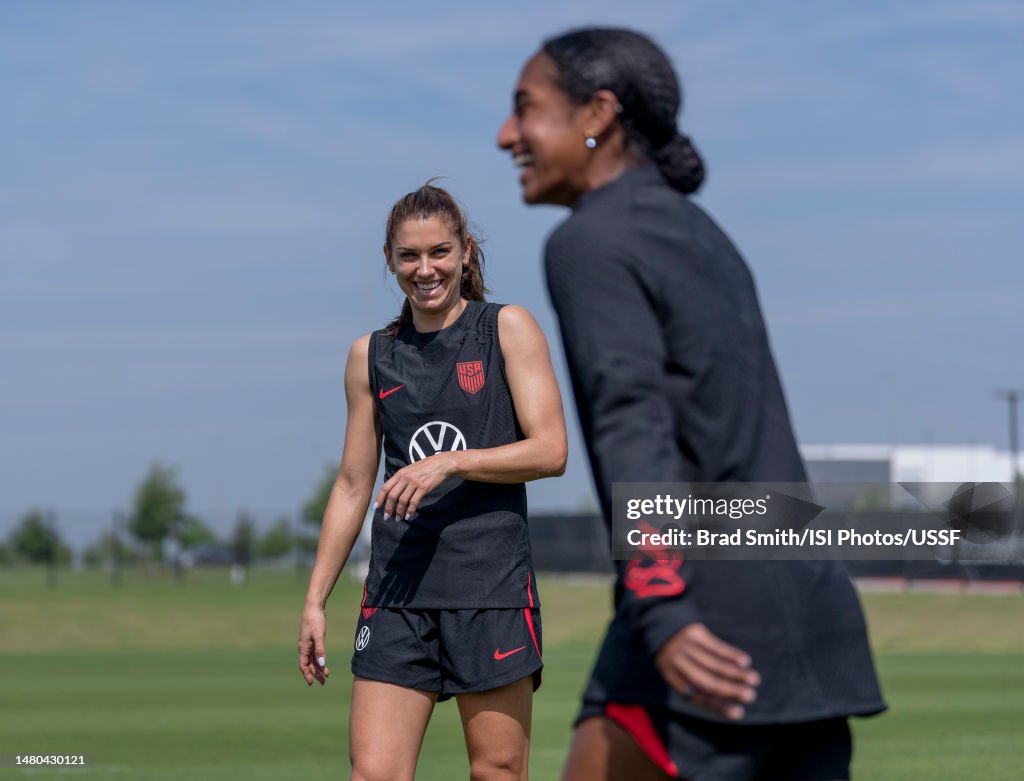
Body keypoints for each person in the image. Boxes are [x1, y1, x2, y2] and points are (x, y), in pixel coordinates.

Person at [498, 28, 886, 781]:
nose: (507, 133)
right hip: (809, 611)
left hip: (708, 616)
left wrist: (664, 608)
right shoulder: (703, 234)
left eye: (525, 108)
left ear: (598, 114)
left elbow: (630, 419)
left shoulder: (589, 242)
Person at [297, 182, 568, 781]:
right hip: (398, 593)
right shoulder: (370, 355)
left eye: (439, 252)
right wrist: (316, 600)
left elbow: (551, 451)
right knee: (374, 774)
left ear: (466, 251)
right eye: (410, 256)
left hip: (490, 587)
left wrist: (452, 461)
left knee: (496, 771)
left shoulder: (507, 329)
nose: (426, 270)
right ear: (390, 260)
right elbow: (350, 485)